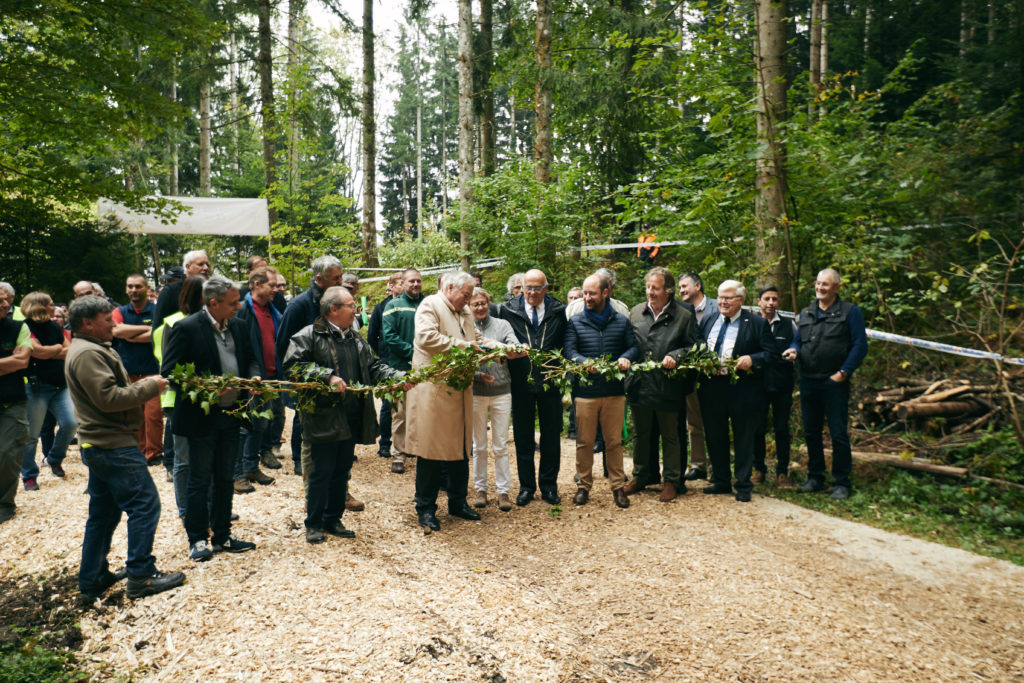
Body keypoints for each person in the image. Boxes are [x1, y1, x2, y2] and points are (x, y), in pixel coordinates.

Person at [64, 296, 185, 602]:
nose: (114, 325)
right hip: (112, 445)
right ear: (87, 323)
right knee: (145, 504)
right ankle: (141, 576)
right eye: (108, 320)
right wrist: (150, 387)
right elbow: (109, 398)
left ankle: (93, 577)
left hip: (103, 444)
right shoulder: (88, 354)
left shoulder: (90, 348)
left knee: (103, 515)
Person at [283, 287, 406, 544]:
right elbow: (293, 366)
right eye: (351, 305)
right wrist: (326, 376)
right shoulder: (308, 336)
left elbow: (374, 366)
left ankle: (332, 518)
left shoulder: (356, 338)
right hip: (322, 418)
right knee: (321, 471)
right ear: (333, 310)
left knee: (342, 470)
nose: (356, 310)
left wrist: (398, 378)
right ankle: (313, 523)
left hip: (351, 416)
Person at [405, 271, 523, 532]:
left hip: (461, 389)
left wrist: (502, 349)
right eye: (466, 295)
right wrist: (464, 347)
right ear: (449, 288)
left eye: (471, 296)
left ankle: (458, 502)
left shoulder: (465, 312)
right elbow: (426, 338)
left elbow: (478, 340)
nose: (469, 301)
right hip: (435, 390)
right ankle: (425, 508)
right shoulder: (430, 305)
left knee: (461, 448)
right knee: (432, 451)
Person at [161, 276, 257, 562]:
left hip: (231, 414)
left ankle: (223, 534)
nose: (239, 307)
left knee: (225, 477)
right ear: (213, 303)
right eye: (233, 302)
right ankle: (198, 539)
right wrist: (207, 386)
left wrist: (253, 377)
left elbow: (251, 358)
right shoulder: (186, 328)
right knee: (199, 478)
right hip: (199, 418)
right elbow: (170, 373)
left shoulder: (239, 327)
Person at [783, 268, 868, 501]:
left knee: (838, 433)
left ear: (836, 288)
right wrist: (793, 350)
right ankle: (815, 477)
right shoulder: (807, 312)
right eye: (818, 283)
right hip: (809, 380)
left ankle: (842, 482)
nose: (820, 288)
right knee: (811, 432)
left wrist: (843, 372)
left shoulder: (850, 312)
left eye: (826, 285)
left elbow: (860, 345)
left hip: (834, 382)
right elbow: (798, 340)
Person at [622, 267, 697, 502]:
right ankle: (640, 476)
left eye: (655, 288)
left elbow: (694, 347)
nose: (650, 292)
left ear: (668, 290)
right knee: (641, 434)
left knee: (671, 435)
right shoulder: (635, 313)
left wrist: (677, 355)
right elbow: (628, 344)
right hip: (640, 384)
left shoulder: (684, 315)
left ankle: (672, 480)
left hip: (668, 386)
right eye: (648, 287)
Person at [697, 280, 775, 503]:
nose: (722, 301)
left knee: (743, 437)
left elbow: (771, 355)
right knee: (715, 434)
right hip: (712, 387)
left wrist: (753, 359)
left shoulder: (757, 323)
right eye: (720, 297)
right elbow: (700, 344)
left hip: (743, 389)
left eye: (728, 297)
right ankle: (721, 480)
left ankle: (743, 484)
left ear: (740, 300)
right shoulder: (710, 319)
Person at [565, 273, 638, 508]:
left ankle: (618, 487)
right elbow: (569, 350)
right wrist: (582, 362)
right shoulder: (575, 322)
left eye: (592, 293)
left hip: (614, 392)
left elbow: (634, 347)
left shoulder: (621, 321)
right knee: (584, 442)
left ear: (605, 293)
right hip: (585, 392)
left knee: (614, 442)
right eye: (585, 293)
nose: (587, 297)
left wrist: (626, 358)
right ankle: (583, 487)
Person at [498, 268, 567, 506]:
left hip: (550, 382)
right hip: (520, 382)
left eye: (538, 288)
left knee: (551, 436)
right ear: (521, 287)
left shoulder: (558, 311)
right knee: (523, 437)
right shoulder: (507, 311)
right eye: (528, 287)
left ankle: (549, 486)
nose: (533, 293)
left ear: (546, 288)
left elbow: (565, 343)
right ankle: (526, 487)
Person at [275, 255, 343, 476]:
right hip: (305, 373)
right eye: (335, 278)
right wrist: (294, 374)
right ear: (319, 279)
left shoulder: (336, 303)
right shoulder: (299, 305)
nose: (340, 282)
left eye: (341, 277)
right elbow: (283, 343)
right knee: (302, 415)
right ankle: (299, 458)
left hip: (331, 372)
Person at [152, 276, 205, 517]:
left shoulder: (210, 321)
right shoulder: (173, 323)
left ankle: (207, 504)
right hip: (178, 398)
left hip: (205, 398)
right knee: (183, 460)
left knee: (205, 457)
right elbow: (169, 366)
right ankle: (186, 509)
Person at [19, 292, 77, 490]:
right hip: (38, 388)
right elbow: (38, 352)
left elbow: (69, 349)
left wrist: (47, 350)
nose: (55, 308)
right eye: (51, 304)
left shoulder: (54, 326)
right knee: (31, 435)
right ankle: (29, 474)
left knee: (71, 423)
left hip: (61, 385)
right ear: (40, 307)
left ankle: (54, 458)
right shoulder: (25, 327)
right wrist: (54, 349)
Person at [232, 266, 282, 495]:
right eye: (271, 285)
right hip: (250, 380)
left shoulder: (273, 310)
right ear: (256, 285)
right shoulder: (243, 310)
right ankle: (237, 474)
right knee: (244, 426)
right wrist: (246, 378)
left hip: (270, 377)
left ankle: (251, 467)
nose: (276, 289)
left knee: (261, 423)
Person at [469, 287, 519, 512]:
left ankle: (503, 491)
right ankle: (480, 489)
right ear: (468, 307)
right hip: (476, 392)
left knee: (500, 444)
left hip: (501, 390)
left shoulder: (502, 325)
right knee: (478, 445)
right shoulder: (465, 328)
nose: (480, 307)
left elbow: (512, 345)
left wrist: (516, 349)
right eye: (475, 304)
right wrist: (478, 376)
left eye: (483, 303)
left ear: (489, 303)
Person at [111, 274, 163, 466]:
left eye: (138, 286)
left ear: (147, 288)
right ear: (126, 289)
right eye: (130, 286)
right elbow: (116, 331)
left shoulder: (157, 310)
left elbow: (157, 333)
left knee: (154, 415)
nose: (134, 290)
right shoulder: (119, 310)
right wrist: (144, 331)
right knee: (135, 414)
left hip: (152, 371)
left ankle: (155, 453)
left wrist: (129, 333)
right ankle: (139, 451)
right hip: (129, 371)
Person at [381, 268, 424, 474]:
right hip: (401, 368)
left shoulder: (428, 305)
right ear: (403, 283)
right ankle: (398, 453)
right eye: (411, 281)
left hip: (427, 368)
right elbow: (389, 337)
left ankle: (418, 448)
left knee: (424, 411)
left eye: (419, 281)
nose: (416, 284)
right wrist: (414, 352)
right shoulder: (393, 306)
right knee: (400, 412)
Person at [753, 285, 796, 487]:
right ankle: (759, 469)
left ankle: (782, 472)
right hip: (758, 383)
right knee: (758, 428)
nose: (771, 303)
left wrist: (795, 352)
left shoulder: (788, 325)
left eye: (775, 299)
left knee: (781, 429)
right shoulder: (752, 323)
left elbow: (798, 345)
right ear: (759, 301)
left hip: (782, 384)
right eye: (767, 299)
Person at [677, 272, 716, 482]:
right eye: (680, 287)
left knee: (715, 420)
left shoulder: (717, 307)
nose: (681, 290)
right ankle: (698, 465)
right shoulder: (681, 310)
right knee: (693, 422)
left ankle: (717, 466)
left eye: (685, 286)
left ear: (698, 286)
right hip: (691, 374)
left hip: (714, 374)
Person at [0, 288, 31, 525]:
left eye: (5, 299)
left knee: (8, 454)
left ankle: (4, 504)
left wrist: (13, 362)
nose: (3, 304)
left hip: (12, 401)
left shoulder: (18, 327)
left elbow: (21, 361)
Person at [368, 273, 403, 459]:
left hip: (408, 361)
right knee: (388, 404)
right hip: (387, 361)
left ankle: (405, 444)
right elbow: (371, 336)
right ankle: (385, 443)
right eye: (400, 283)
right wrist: (382, 355)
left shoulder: (414, 305)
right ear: (391, 285)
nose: (404, 286)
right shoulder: (380, 307)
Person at [152, 250, 210, 329]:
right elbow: (158, 327)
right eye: (200, 264)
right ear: (188, 267)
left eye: (207, 265)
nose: (206, 268)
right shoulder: (170, 291)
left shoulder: (212, 291)